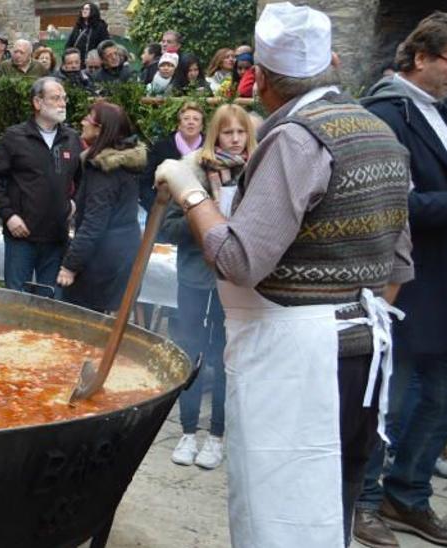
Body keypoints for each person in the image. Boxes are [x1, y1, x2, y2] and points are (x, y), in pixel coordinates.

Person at [154, 4, 413, 545]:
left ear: (266, 80)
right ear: (332, 64)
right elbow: (400, 264)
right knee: (335, 501)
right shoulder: (379, 131)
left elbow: (241, 260)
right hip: (365, 355)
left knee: (282, 511)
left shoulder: (297, 136)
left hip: (300, 360)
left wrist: (189, 189)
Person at [353, 12, 447, 547]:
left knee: (444, 396)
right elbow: (395, 204)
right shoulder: (386, 114)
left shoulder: (445, 111)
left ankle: (407, 493)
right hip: (404, 282)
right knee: (386, 398)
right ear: (420, 58)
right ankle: (363, 499)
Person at [162, 104, 256, 471]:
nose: (233, 140)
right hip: (194, 277)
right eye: (227, 133)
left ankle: (217, 436)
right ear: (214, 135)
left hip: (233, 281)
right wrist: (205, 214)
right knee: (190, 353)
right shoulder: (192, 171)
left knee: (223, 357)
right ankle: (187, 431)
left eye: (239, 133)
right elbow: (169, 228)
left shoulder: (258, 172)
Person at [0, 77, 82, 294]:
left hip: (57, 237)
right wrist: (8, 216)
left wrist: (74, 203)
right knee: (16, 300)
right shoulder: (15, 137)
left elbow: (83, 181)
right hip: (21, 235)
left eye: (64, 98)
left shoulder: (72, 138)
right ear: (37, 103)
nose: (62, 103)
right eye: (55, 98)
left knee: (50, 302)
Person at [56, 101, 144, 312]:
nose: (82, 121)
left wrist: (70, 266)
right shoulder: (125, 163)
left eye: (88, 117)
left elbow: (94, 225)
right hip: (121, 253)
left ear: (101, 128)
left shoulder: (105, 170)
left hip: (103, 261)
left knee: (83, 327)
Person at [140, 102, 203, 213]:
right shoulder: (161, 147)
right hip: (165, 212)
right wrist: (156, 207)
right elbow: (144, 182)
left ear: (201, 126)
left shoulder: (209, 148)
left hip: (201, 211)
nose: (191, 122)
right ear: (179, 124)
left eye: (196, 119)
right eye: (186, 119)